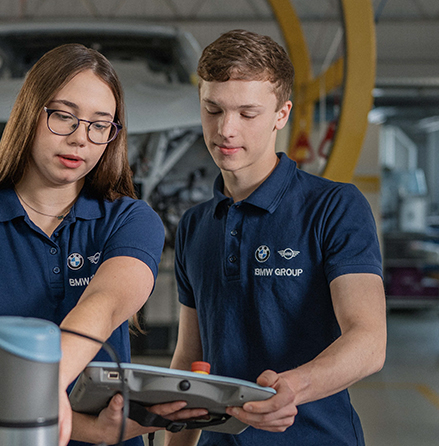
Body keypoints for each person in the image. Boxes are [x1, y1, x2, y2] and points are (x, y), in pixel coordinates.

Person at [0, 43, 205, 446]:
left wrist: (46, 383)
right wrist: (94, 429)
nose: (80, 139)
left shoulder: (130, 220)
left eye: (99, 125)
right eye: (63, 116)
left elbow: (105, 304)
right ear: (29, 113)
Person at [167, 30, 387, 446]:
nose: (226, 129)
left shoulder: (334, 207)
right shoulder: (195, 225)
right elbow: (190, 357)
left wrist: (293, 388)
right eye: (213, 109)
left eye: (247, 113)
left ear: (281, 114)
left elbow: (369, 340)